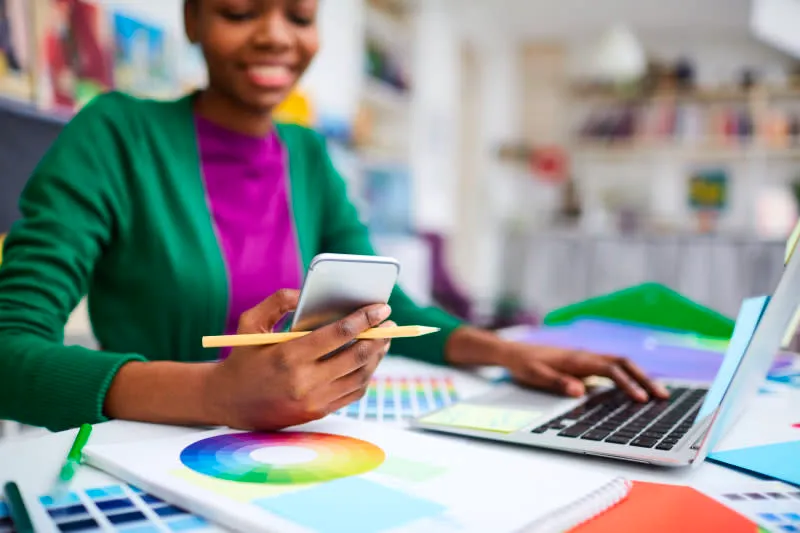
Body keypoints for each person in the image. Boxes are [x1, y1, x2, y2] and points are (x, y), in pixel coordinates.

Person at [0, 0, 668, 434]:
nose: (275, 36)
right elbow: (8, 352)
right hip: (150, 466)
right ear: (194, 19)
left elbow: (393, 310)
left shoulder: (307, 154)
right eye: (240, 9)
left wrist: (506, 351)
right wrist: (215, 395)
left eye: (299, 14)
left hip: (290, 460)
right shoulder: (114, 134)